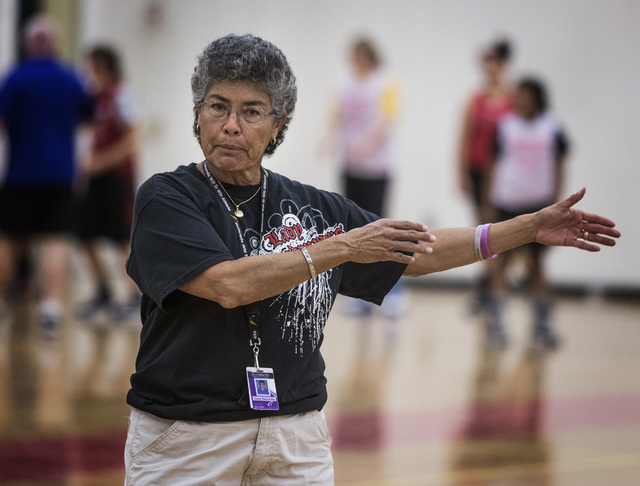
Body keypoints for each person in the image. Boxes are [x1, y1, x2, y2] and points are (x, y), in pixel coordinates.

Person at [123, 34, 619, 485]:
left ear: (279, 127)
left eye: (252, 111)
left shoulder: (312, 205)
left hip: (297, 434)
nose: (231, 125)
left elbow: (414, 252)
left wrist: (527, 228)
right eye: (217, 106)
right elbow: (226, 286)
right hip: (187, 437)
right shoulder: (168, 198)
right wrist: (340, 247)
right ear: (197, 113)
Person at [0, 15, 94, 338]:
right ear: (54, 44)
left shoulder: (14, 79)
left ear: (28, 44)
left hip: (19, 175)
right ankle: (50, 311)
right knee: (54, 239)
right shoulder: (71, 79)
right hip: (59, 174)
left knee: (9, 239)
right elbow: (86, 124)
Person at [320, 36, 405, 316]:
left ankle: (393, 291)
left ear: (368, 55)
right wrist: (330, 139)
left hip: (377, 167)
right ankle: (358, 293)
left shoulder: (385, 81)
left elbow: (388, 120)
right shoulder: (343, 79)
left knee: (382, 225)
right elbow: (336, 114)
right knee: (353, 228)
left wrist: (367, 144)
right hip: (351, 166)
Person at [485, 77, 570, 350]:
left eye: (525, 95)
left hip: (539, 205)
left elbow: (559, 165)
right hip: (507, 202)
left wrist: (558, 200)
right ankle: (496, 326)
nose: (520, 99)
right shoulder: (505, 126)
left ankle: (541, 327)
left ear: (538, 98)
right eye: (517, 94)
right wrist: (488, 201)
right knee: (501, 262)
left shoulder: (552, 128)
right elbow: (492, 164)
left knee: (537, 267)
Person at [75, 44, 140, 324]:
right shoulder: (94, 97)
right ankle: (103, 292)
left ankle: (137, 298)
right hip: (95, 179)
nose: (90, 71)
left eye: (94, 65)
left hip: (116, 178)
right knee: (83, 233)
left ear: (106, 66)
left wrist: (99, 162)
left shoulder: (122, 94)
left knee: (119, 239)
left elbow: (132, 140)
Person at [456, 38, 514, 313]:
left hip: (505, 177)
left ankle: (496, 287)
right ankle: (488, 289)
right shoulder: (476, 100)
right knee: (483, 229)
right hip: (479, 173)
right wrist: (461, 175)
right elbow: (464, 139)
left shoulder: (513, 100)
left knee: (504, 230)